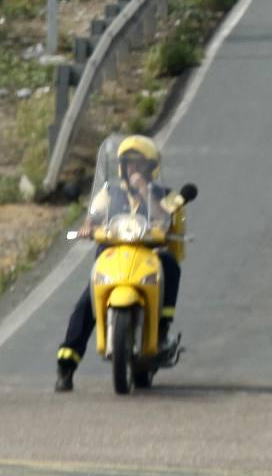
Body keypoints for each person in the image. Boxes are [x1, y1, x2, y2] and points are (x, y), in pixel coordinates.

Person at [55, 135, 181, 392]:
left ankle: (162, 329)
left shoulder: (165, 194)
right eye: (128, 164)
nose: (133, 170)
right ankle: (66, 367)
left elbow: (165, 219)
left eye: (139, 164)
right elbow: (94, 216)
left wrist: (146, 192)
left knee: (169, 264)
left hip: (148, 255)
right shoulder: (109, 192)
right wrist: (87, 228)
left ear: (151, 167)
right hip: (113, 254)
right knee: (86, 303)